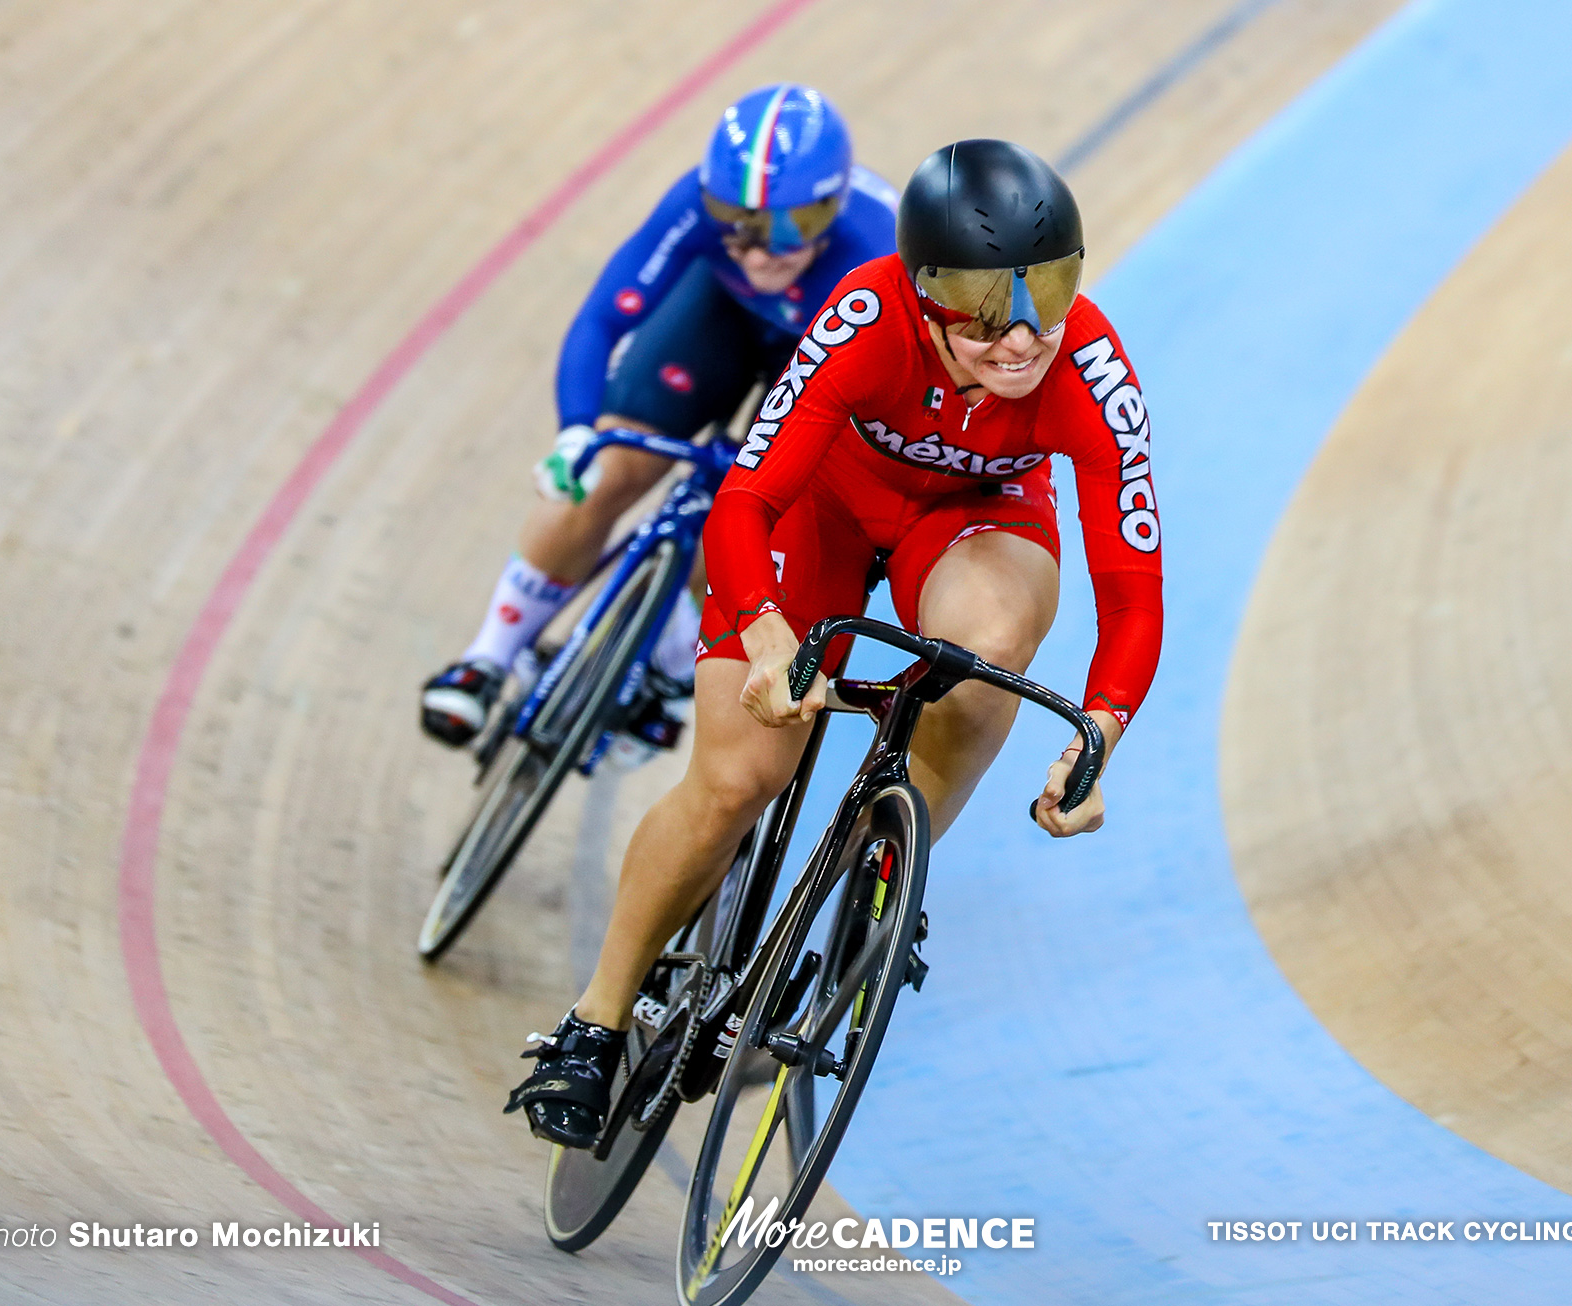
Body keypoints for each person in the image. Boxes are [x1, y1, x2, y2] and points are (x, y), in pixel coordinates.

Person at [506, 140, 1164, 1147]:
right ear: (926, 289)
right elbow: (747, 500)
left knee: (984, 661)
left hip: (976, 520)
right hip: (821, 507)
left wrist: (1101, 733)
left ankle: (883, 867)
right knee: (737, 777)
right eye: (989, 308)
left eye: (1052, 290)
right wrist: (767, 636)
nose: (1023, 336)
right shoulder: (866, 313)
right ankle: (593, 1021)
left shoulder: (1090, 369)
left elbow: (1132, 591)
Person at [420, 83, 897, 748]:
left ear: (833, 207)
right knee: (607, 469)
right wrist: (577, 431)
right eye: (738, 222)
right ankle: (490, 656)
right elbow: (603, 318)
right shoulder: (697, 213)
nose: (760, 250)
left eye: (790, 228)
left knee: (749, 528)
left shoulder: (879, 258)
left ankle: (667, 676)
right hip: (720, 315)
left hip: (817, 354)